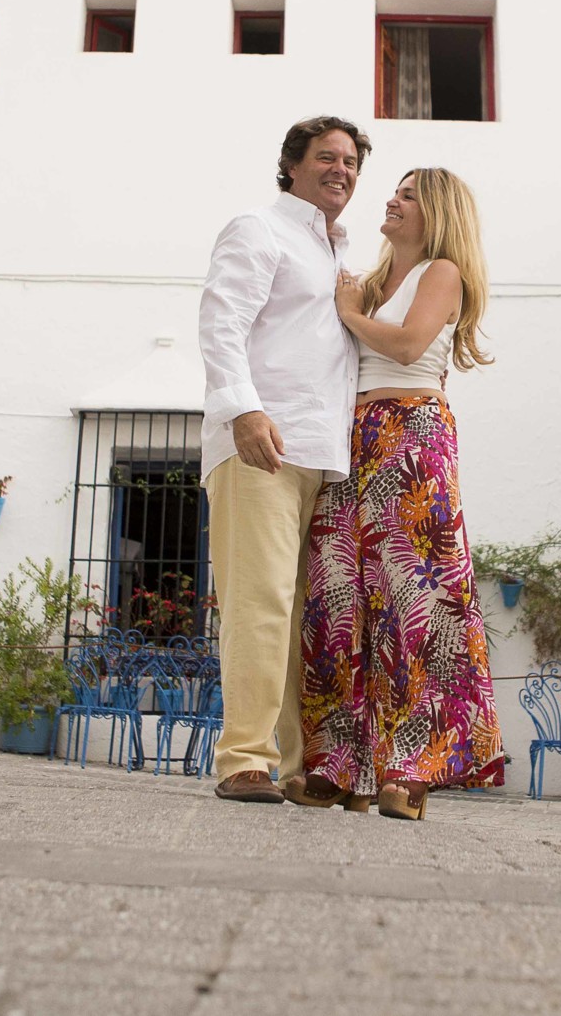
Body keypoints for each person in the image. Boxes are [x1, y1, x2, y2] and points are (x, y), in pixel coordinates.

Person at [286, 168, 505, 820]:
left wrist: (351, 314)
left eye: (407, 193)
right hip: (350, 436)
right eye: (396, 190)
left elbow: (410, 347)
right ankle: (340, 765)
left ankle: (412, 773)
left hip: (412, 433)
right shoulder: (372, 279)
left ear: (434, 210)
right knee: (339, 596)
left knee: (416, 601)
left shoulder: (441, 271)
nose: (391, 197)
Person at [198, 115, 372, 803]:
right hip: (261, 444)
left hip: (321, 458)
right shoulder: (258, 228)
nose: (342, 169)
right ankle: (244, 757)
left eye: (352, 161)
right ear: (292, 165)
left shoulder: (338, 256)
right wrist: (242, 407)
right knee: (260, 600)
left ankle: (296, 763)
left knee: (302, 613)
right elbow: (221, 319)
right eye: (327, 156)